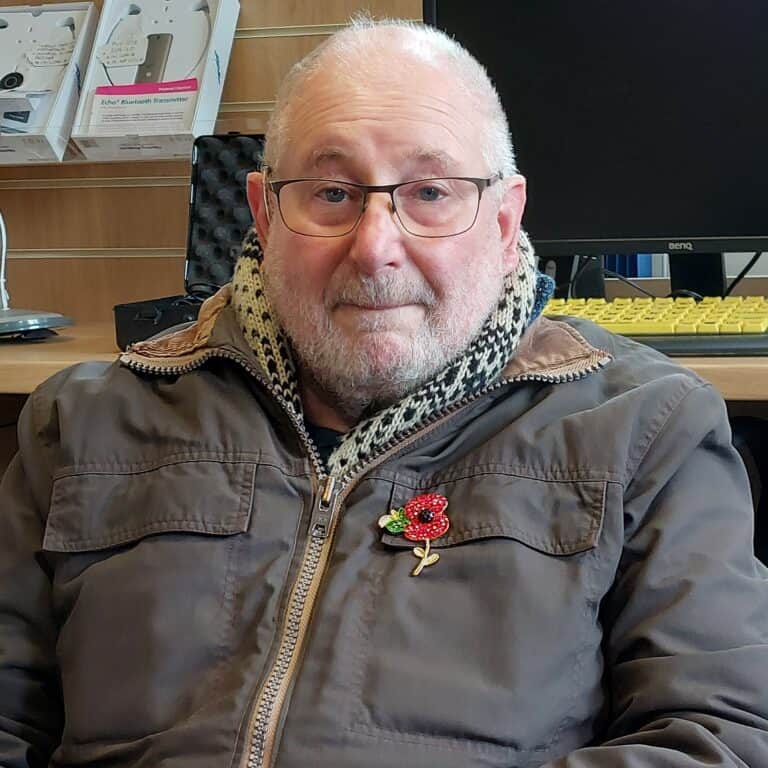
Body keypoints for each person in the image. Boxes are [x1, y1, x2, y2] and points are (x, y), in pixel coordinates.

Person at [1, 16, 767, 768]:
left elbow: (720, 734)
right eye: (332, 193)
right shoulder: (82, 421)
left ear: (504, 222)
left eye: (430, 192)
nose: (374, 248)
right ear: (265, 215)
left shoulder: (648, 428)